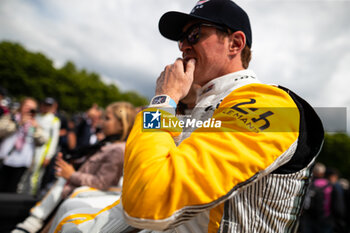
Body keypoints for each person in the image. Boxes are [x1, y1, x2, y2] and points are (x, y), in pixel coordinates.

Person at [52, 0, 324, 232]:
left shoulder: (271, 103)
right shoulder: (204, 107)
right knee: (72, 206)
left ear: (235, 43)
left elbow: (150, 196)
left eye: (194, 34)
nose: (183, 46)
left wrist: (163, 100)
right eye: (181, 39)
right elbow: (146, 170)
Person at [12, 101, 136, 233]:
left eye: (107, 118)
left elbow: (103, 182)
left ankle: (30, 225)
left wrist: (71, 175)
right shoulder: (107, 145)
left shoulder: (118, 150)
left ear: (122, 124)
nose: (101, 122)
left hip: (77, 193)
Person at [0, 97, 47, 193]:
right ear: (21, 106)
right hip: (5, 158)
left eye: (32, 108)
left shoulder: (35, 123)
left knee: (12, 188)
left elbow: (41, 141)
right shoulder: (11, 117)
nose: (28, 110)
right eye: (27, 106)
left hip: (22, 161)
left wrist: (35, 129)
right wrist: (19, 123)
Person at [18, 97, 61, 196]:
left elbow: (54, 140)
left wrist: (48, 156)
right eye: (45, 104)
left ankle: (30, 196)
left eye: (49, 105)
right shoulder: (36, 116)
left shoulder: (54, 120)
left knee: (35, 175)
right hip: (30, 148)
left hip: (42, 151)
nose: (46, 107)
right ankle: (19, 193)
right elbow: (31, 131)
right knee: (24, 173)